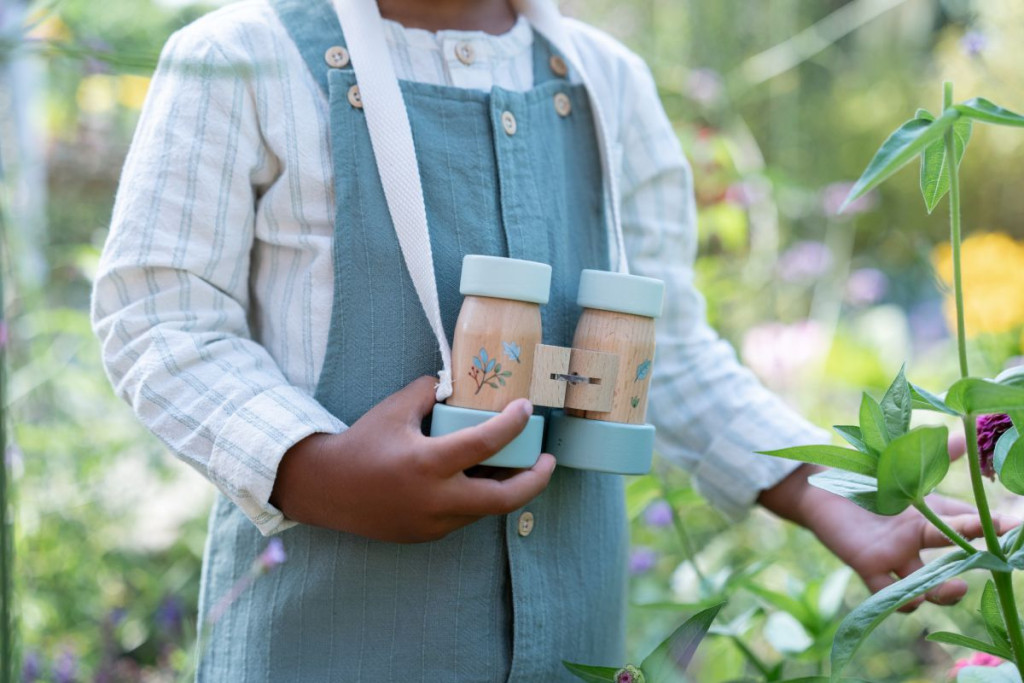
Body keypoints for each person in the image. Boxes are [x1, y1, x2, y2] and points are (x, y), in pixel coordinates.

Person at [91, 0, 1002, 679]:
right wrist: (314, 469)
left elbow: (666, 351)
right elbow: (159, 317)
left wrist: (822, 491)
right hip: (321, 644)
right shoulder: (239, 62)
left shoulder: (609, 86)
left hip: (573, 645)